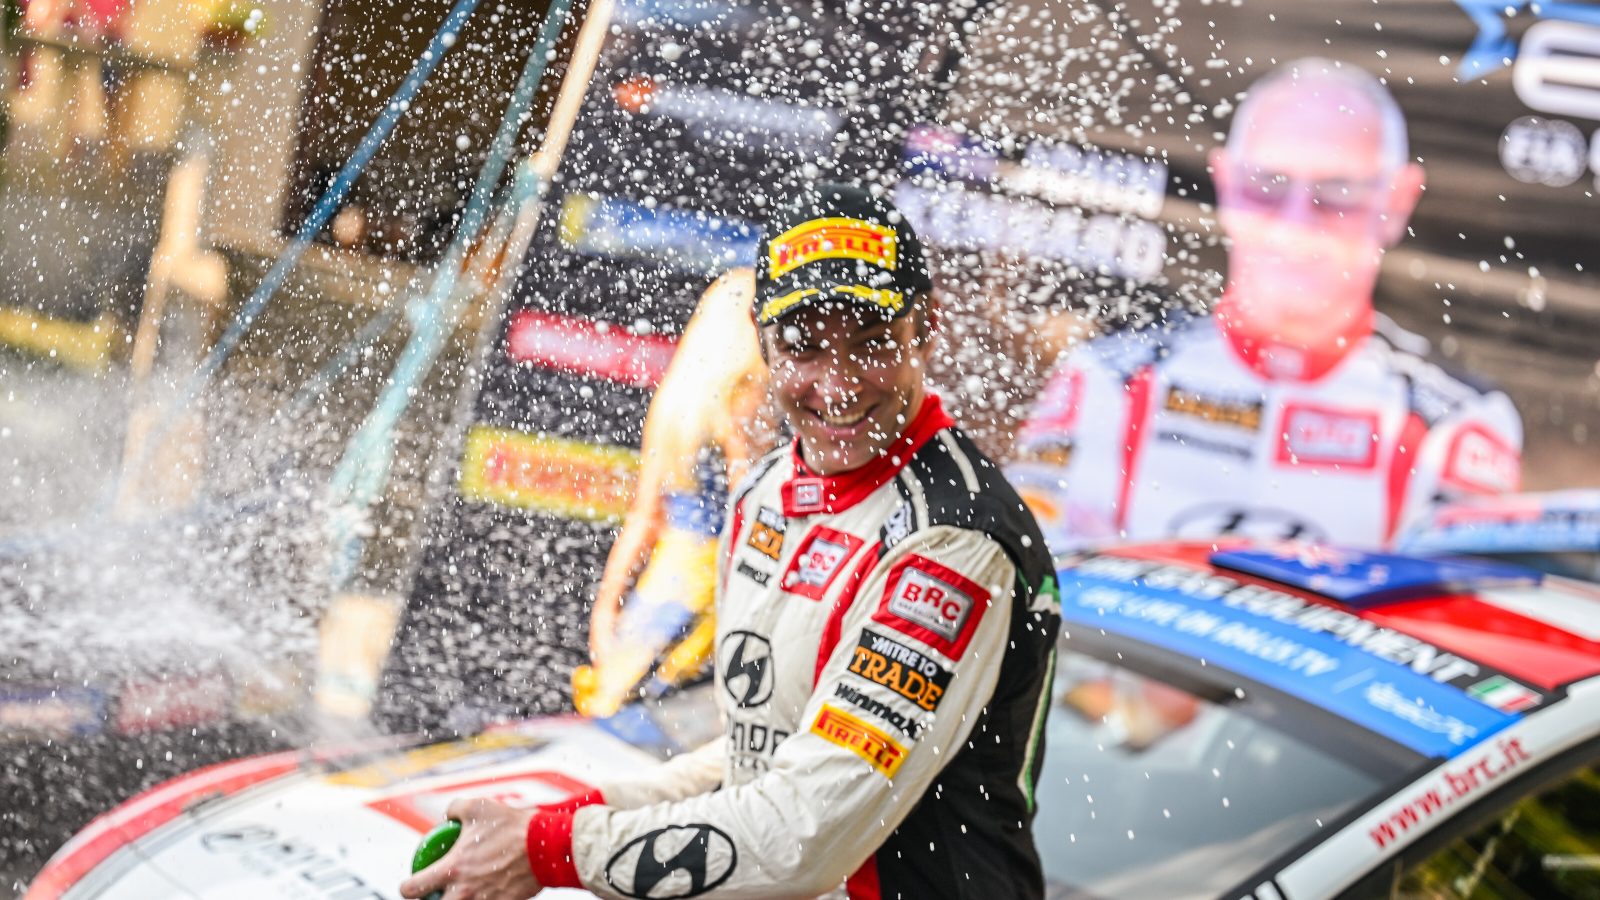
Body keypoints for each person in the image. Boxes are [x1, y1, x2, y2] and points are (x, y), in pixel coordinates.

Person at [401, 183, 1061, 899]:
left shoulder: (954, 540)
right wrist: (554, 824)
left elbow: (802, 833)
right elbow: (760, 757)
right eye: (803, 347)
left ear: (924, 328)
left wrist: (552, 850)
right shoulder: (766, 489)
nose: (837, 384)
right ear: (761, 340)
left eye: (871, 343)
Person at [1010, 58, 1523, 551]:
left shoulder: (1455, 423)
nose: (1296, 221)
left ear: (1396, 202)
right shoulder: (1106, 379)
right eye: (1267, 186)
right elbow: (1032, 580)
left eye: (1338, 192)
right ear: (1225, 183)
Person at [574, 267, 771, 717]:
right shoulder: (744, 400)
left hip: (665, 586)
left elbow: (646, 517)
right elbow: (749, 510)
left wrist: (607, 605)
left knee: (624, 713)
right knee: (682, 724)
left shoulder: (676, 404)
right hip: (713, 589)